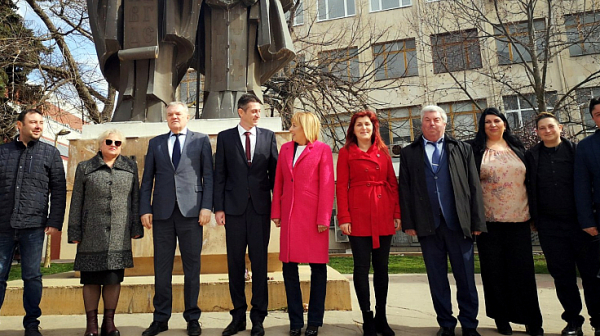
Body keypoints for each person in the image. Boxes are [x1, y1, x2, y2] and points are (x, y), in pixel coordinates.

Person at [399, 105, 485, 336]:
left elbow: (474, 186)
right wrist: (409, 222)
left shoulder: (462, 149)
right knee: (437, 279)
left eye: (436, 119)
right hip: (428, 225)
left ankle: (469, 324)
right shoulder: (409, 153)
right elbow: (404, 189)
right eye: (427, 120)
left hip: (459, 224)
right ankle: (446, 324)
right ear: (421, 124)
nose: (432, 123)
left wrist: (477, 222)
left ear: (445, 123)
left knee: (465, 278)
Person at [139, 102, 214, 336]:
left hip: (191, 213)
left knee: (192, 268)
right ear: (166, 118)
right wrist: (144, 209)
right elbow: (147, 180)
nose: (174, 117)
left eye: (178, 114)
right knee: (162, 269)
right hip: (161, 213)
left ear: (187, 117)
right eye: (170, 114)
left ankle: (192, 318)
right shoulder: (156, 143)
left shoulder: (201, 141)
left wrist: (206, 207)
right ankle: (161, 318)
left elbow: (208, 177)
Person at [470, 107, 543, 336]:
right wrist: (475, 221)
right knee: (494, 273)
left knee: (523, 272)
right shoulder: (475, 151)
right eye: (488, 122)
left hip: (519, 220)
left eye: (497, 120)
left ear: (504, 124)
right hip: (489, 224)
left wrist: (535, 215)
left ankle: (532, 319)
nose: (493, 125)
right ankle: (501, 318)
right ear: (483, 127)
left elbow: (530, 183)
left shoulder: (519, 150)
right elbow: (470, 189)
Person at [527, 112, 600, 336]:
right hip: (550, 228)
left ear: (560, 128)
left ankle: (599, 322)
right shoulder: (531, 156)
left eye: (551, 126)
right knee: (563, 277)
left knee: (592, 277)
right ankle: (573, 322)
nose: (547, 131)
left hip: (582, 225)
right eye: (542, 128)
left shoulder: (577, 151)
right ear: (537, 132)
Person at [214, 93, 278, 336]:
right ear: (241, 112)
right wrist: (218, 208)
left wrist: (278, 208)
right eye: (253, 111)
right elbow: (219, 174)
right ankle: (238, 316)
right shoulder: (225, 138)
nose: (257, 115)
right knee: (235, 264)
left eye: (259, 111)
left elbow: (275, 177)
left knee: (260, 264)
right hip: (233, 210)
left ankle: (258, 317)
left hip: (261, 210)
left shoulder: (268, 136)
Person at [68, 130, 144, 336]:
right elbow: (76, 201)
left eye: (117, 142)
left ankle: (108, 324)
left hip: (119, 234)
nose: (113, 144)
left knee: (113, 279)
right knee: (91, 280)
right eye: (108, 141)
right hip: (90, 233)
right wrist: (74, 230)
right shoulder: (85, 168)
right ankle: (91, 325)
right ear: (100, 144)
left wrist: (136, 227)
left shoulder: (129, 167)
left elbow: (135, 200)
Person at [0, 109, 67, 336]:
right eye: (33, 122)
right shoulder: (3, 152)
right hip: (3, 226)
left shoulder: (51, 153)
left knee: (32, 277)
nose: (38, 126)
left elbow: (58, 190)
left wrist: (55, 221)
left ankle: (31, 324)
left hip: (34, 226)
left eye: (41, 122)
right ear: (20, 125)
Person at [336, 111, 400, 336]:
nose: (364, 128)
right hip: (358, 216)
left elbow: (393, 183)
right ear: (352, 130)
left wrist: (397, 213)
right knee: (361, 268)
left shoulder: (383, 151)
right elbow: (341, 187)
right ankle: (367, 318)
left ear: (374, 128)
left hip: (383, 213)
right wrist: (344, 217)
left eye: (368, 124)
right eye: (359, 125)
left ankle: (382, 317)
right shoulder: (346, 153)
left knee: (382, 268)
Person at [271, 112, 335, 336]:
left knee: (318, 269)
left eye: (294, 125)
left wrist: (323, 219)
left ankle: (315, 321)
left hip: (313, 219)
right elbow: (278, 182)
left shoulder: (322, 150)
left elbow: (327, 186)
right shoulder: (286, 149)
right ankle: (295, 322)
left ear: (306, 127)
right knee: (289, 269)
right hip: (289, 217)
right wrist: (276, 212)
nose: (291, 129)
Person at [574, 97, 600, 336]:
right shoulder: (586, 146)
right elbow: (581, 187)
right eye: (598, 114)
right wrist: (587, 221)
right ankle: (599, 322)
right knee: (596, 278)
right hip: (598, 221)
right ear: (593, 118)